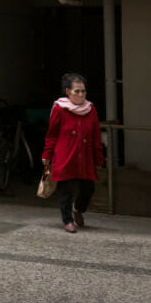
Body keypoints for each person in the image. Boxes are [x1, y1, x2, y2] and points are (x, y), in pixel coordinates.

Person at [42, 72, 104, 232]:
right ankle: (67, 220)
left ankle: (78, 209)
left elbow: (96, 135)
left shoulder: (90, 110)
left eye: (83, 91)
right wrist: (47, 155)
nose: (81, 94)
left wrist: (99, 157)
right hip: (65, 156)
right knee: (66, 190)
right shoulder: (59, 109)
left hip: (84, 157)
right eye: (77, 91)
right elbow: (52, 134)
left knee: (88, 188)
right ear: (68, 91)